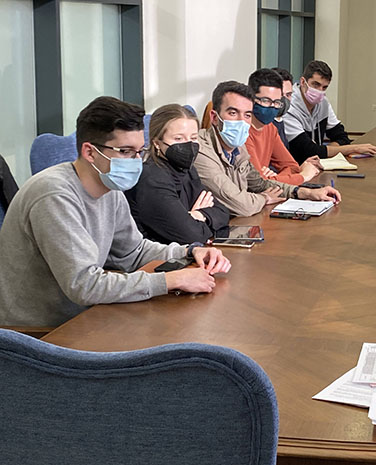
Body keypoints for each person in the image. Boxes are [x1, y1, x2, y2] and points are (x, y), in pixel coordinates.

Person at [0, 96, 231, 327]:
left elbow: (134, 252)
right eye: (125, 151)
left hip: (84, 316)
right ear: (90, 152)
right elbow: (84, 285)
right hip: (36, 333)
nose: (136, 161)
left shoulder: (110, 187)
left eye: (139, 151)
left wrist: (190, 252)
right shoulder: (54, 195)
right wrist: (169, 280)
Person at [193, 81, 340, 217]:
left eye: (247, 115)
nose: (241, 121)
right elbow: (241, 204)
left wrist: (306, 193)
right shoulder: (200, 150)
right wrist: (264, 198)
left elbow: (259, 183)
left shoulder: (237, 146)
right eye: (233, 113)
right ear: (214, 117)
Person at [125, 104, 230, 245]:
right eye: (178, 139)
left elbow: (223, 213)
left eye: (193, 138)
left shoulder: (186, 169)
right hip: (154, 261)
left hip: (184, 254)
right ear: (156, 143)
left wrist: (198, 215)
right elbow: (193, 236)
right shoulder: (152, 178)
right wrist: (199, 222)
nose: (189, 145)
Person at [283, 60, 376, 163]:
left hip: (315, 166)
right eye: (315, 85)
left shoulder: (323, 103)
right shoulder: (289, 107)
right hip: (294, 168)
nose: (320, 91)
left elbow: (342, 137)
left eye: (324, 87)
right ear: (303, 82)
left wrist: (324, 150)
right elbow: (308, 151)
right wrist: (354, 148)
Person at [245, 68, 323, 185]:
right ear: (251, 99)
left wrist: (275, 178)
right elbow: (258, 183)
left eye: (276, 102)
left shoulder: (270, 128)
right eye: (266, 100)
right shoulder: (242, 130)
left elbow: (292, 167)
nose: (272, 107)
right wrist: (303, 176)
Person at [271, 66, 294, 148]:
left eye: (288, 95)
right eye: (280, 94)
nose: (284, 100)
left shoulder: (280, 121)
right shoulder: (265, 124)